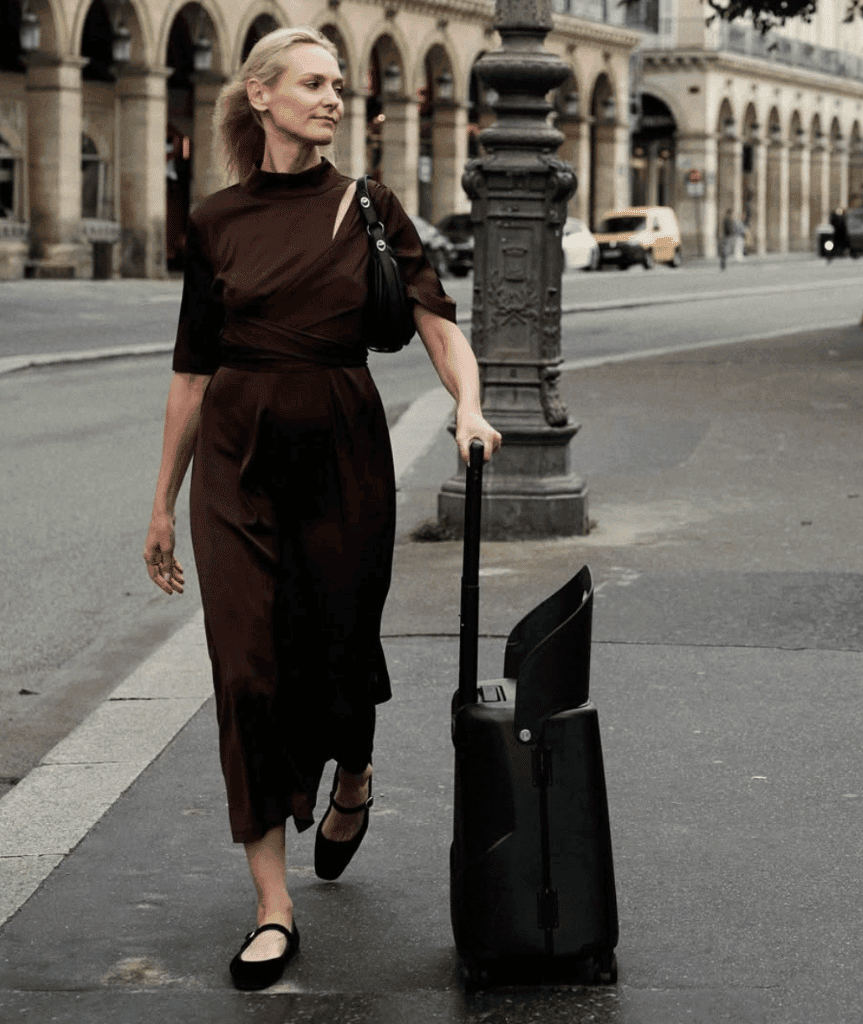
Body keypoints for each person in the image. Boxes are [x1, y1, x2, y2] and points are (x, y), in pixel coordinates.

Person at [142, 26, 501, 992]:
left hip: (343, 447)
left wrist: (467, 406)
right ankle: (273, 906)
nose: (335, 97)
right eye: (313, 82)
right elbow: (190, 373)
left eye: (340, 84)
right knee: (246, 670)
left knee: (339, 645)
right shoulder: (214, 220)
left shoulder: (369, 206)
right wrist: (163, 503)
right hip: (236, 458)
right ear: (260, 95)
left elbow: (438, 324)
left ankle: (355, 772)